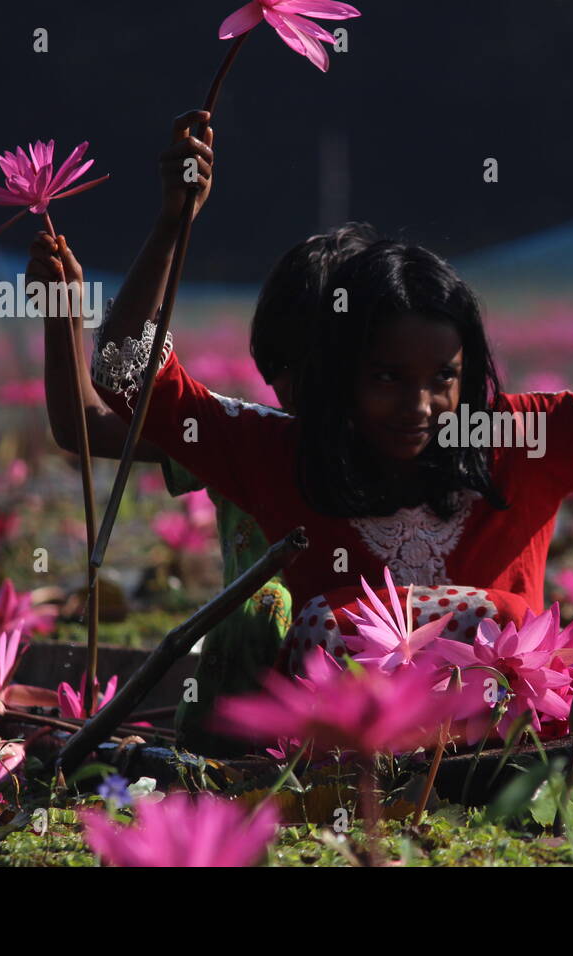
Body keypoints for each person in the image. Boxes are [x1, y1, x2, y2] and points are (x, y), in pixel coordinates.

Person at [91, 108, 573, 671]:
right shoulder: (282, 449)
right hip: (339, 761)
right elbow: (130, 379)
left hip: (504, 748)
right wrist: (174, 225)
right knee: (327, 622)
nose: (419, 407)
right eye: (385, 378)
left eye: (443, 379)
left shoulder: (516, 439)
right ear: (337, 376)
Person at [28, 212, 377, 753]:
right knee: (265, 607)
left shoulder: (408, 450)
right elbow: (82, 426)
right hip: (236, 710)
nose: (298, 389)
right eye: (285, 366)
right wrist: (63, 315)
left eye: (326, 366)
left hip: (358, 699)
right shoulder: (248, 439)